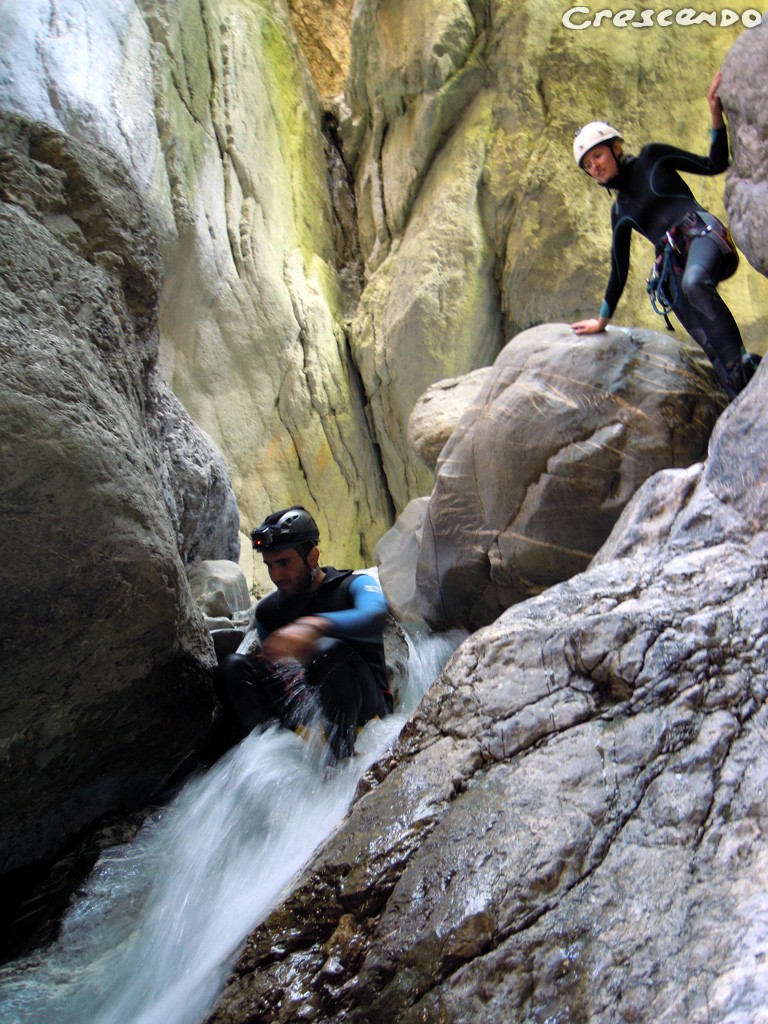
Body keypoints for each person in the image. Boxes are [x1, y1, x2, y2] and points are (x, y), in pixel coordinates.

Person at [570, 72, 759, 400]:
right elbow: (619, 270)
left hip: (703, 235)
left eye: (597, 156)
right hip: (674, 263)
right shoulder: (619, 212)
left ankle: (743, 362)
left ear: (615, 148)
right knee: (699, 329)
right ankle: (737, 390)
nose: (594, 167)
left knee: (694, 283)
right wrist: (602, 320)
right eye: (587, 165)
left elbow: (713, 164)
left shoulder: (652, 157)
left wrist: (715, 114)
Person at [215, 506, 393, 762]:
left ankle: (338, 764)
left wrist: (315, 626)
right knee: (232, 668)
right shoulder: (268, 612)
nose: (276, 575)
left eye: (284, 563)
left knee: (326, 651)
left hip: (367, 713)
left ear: (312, 557)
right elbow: (277, 673)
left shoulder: (354, 585)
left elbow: (375, 615)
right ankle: (272, 761)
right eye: (269, 565)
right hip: (306, 715)